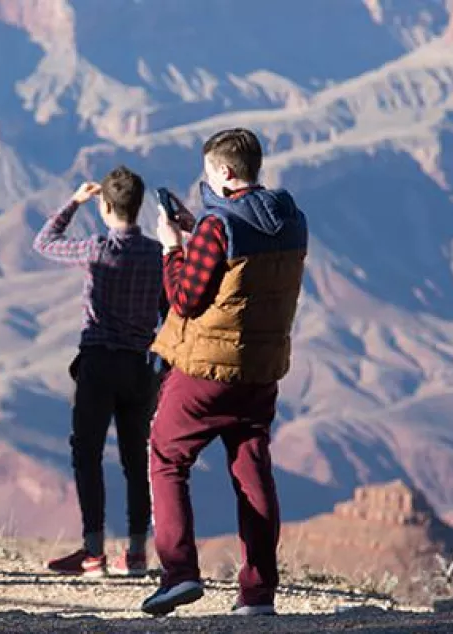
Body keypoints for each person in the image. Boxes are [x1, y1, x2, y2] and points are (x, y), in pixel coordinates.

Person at [140, 128, 308, 616]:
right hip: (260, 370)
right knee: (253, 472)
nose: (206, 180)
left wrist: (173, 247)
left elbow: (186, 298)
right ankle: (257, 594)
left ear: (226, 172)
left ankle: (179, 574)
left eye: (209, 173)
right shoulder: (291, 219)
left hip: (207, 372)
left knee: (167, 457)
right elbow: (243, 265)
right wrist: (201, 229)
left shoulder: (217, 228)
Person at [33, 166, 164, 578]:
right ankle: (139, 553)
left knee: (87, 453)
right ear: (137, 205)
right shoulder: (156, 255)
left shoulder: (97, 248)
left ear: (106, 206)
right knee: (135, 460)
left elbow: (45, 242)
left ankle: (93, 554)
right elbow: (166, 309)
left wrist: (74, 201)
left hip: (98, 365)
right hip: (140, 367)